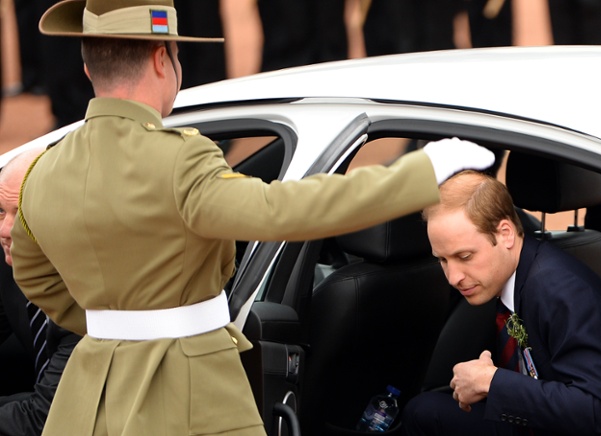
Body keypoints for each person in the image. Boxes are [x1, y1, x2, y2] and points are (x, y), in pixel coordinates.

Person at [9, 1, 495, 435]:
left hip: (85, 400)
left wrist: (114, 321)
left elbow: (31, 274)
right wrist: (421, 173)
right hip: (190, 396)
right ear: (163, 59)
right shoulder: (181, 159)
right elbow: (285, 210)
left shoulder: (42, 170)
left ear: (88, 67)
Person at [403, 170, 601, 435]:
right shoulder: (518, 273)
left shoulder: (559, 290)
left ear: (505, 234)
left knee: (422, 414)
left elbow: (597, 411)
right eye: (443, 260)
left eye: (465, 256)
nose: (453, 277)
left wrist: (491, 382)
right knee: (425, 409)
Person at [0, 148, 81, 435]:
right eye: (0, 211)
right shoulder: (12, 258)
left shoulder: (94, 290)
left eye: (22, 213)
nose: (6, 230)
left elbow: (45, 416)